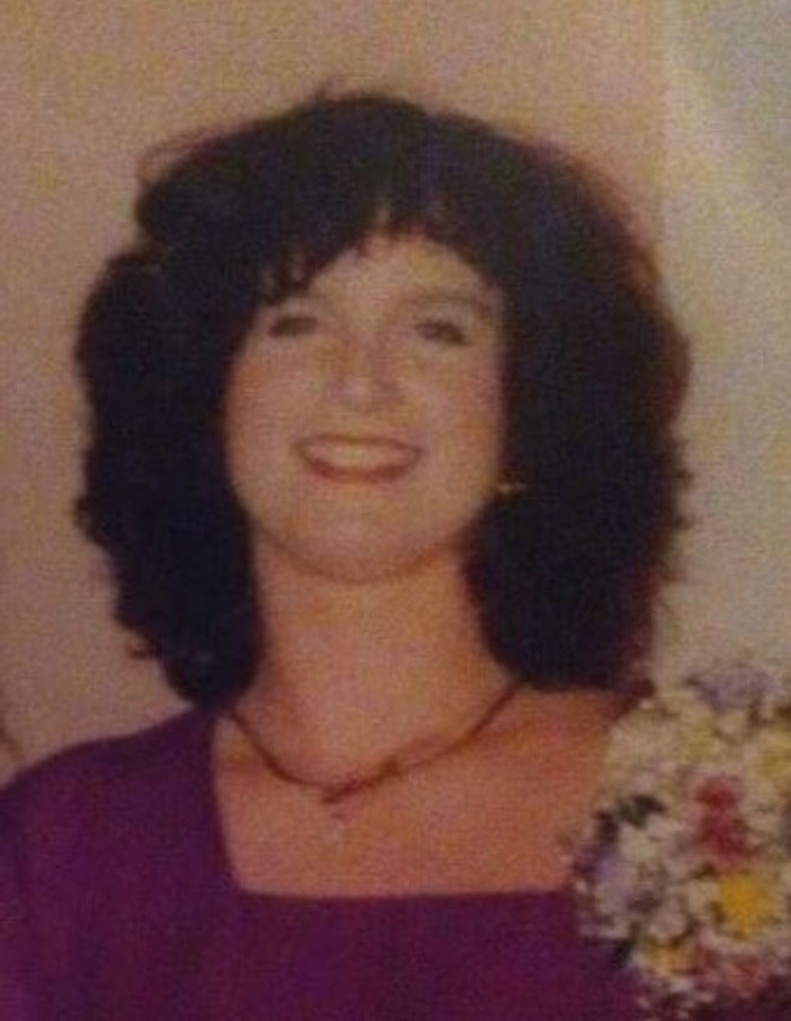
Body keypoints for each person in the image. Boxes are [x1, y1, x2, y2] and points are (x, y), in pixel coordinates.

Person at [0, 92, 785, 1020]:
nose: (360, 382)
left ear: (532, 410)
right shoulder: (64, 846)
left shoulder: (730, 813)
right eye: (294, 321)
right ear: (203, 397)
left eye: (438, 329)